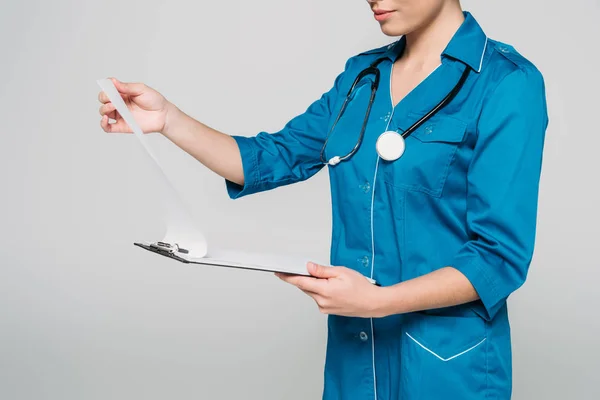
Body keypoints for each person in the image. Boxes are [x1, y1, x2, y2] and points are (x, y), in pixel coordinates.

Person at [97, 1, 548, 398]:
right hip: (356, 358)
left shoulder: (508, 84)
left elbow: (497, 259)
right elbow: (266, 158)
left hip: (446, 368)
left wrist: (378, 301)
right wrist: (168, 119)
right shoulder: (362, 77)